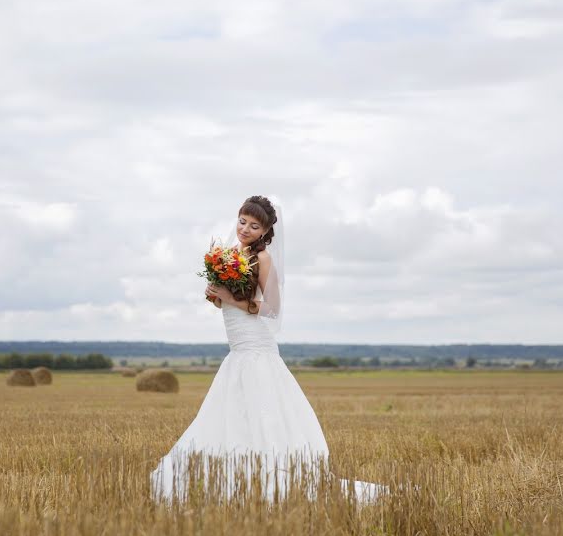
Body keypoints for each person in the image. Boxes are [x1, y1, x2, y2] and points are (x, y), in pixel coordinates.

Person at [149, 195, 386, 505]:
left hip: (256, 345)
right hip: (236, 347)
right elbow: (225, 300)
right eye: (242, 221)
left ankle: (273, 476)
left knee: (263, 410)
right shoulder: (228, 255)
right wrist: (215, 294)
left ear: (264, 232)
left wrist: (230, 298)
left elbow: (272, 308)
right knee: (231, 411)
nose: (245, 228)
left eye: (254, 225)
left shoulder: (263, 260)